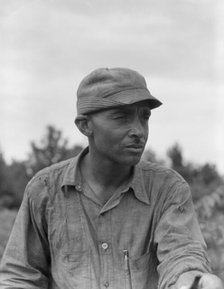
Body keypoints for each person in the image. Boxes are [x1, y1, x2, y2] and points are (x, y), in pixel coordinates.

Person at [0, 67, 223, 289]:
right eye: (121, 117)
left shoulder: (167, 189)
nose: (139, 130)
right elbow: (20, 276)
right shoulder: (45, 189)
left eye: (144, 117)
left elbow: (181, 254)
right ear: (85, 126)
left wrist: (192, 281)